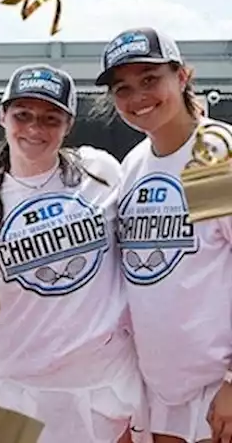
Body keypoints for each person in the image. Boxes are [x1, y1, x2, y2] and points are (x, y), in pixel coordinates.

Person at [0, 64, 145, 443]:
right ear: (3, 116)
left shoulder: (100, 171)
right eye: (22, 116)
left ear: (68, 125)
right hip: (17, 383)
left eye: (51, 119)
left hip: (105, 383)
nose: (35, 129)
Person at [97, 28, 232, 443]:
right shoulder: (136, 163)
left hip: (212, 389)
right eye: (123, 88)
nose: (137, 96)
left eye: (150, 79)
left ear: (184, 76)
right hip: (157, 388)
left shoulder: (210, 152)